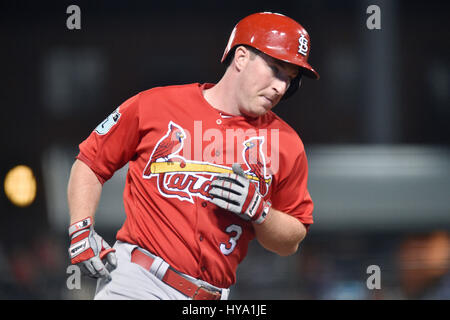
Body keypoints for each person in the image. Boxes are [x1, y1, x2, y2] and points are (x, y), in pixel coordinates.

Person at [67, 11, 319, 300]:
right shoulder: (156, 105)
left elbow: (290, 242)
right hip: (139, 281)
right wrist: (81, 228)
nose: (280, 87)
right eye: (275, 69)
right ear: (240, 58)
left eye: (290, 78)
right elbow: (90, 161)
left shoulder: (286, 143)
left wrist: (260, 211)